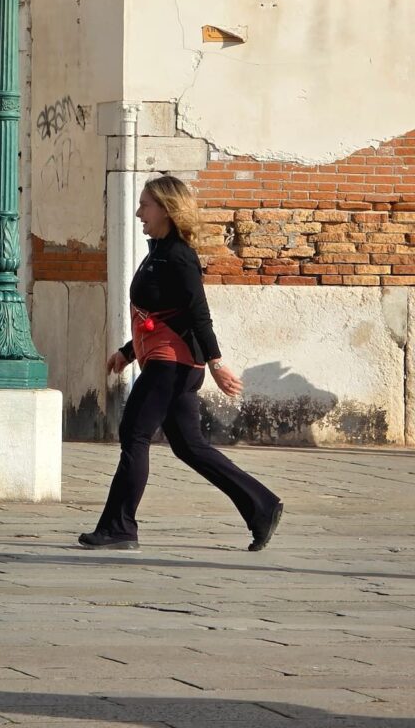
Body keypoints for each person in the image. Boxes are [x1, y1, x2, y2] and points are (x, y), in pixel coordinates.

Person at [78, 175, 283, 553]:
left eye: (145, 205)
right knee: (190, 446)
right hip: (164, 361)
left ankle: (119, 527)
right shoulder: (157, 252)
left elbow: (197, 314)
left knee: (134, 434)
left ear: (167, 210)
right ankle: (262, 506)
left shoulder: (179, 256)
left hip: (173, 365)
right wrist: (127, 351)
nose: (139, 212)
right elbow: (158, 312)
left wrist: (217, 363)